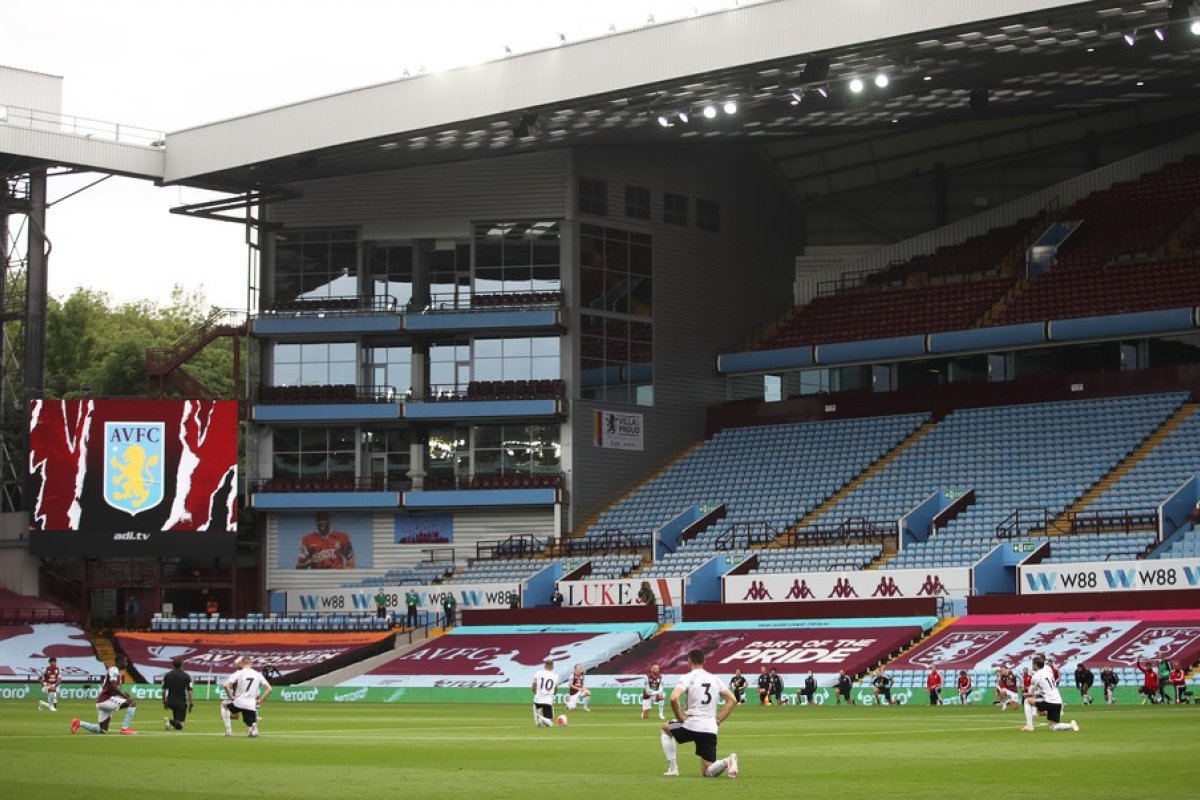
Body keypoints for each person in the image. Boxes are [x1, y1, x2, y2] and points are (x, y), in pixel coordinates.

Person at [660, 648, 739, 778]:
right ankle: (727, 761)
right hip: (709, 728)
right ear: (704, 661)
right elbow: (733, 700)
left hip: (690, 725)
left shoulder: (688, 677)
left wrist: (680, 717)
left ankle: (673, 768)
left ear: (689, 661)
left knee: (665, 728)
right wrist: (718, 720)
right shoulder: (714, 678)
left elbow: (674, 698)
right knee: (707, 772)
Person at [71, 655, 137, 735]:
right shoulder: (114, 670)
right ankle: (125, 728)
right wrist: (123, 696)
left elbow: (111, 688)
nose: (126, 664)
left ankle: (79, 723)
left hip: (103, 701)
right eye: (125, 662)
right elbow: (112, 687)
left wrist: (122, 694)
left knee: (102, 730)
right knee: (132, 703)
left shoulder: (115, 672)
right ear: (120, 662)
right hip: (106, 700)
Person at [1020, 654, 1079, 733]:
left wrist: (1028, 693)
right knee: (1053, 726)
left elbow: (1031, 692)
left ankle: (1029, 726)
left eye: (1032, 664)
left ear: (1035, 665)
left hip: (1049, 701)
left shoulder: (1036, 676)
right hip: (1058, 701)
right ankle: (1071, 725)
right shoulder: (1048, 673)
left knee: (1027, 701)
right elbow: (1047, 688)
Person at [221, 656, 273, 737]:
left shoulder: (238, 673)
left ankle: (228, 730)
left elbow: (225, 686)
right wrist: (260, 701)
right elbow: (269, 689)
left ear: (241, 663)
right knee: (250, 720)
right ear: (251, 664)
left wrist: (231, 697)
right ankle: (253, 726)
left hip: (239, 702)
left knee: (224, 705)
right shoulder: (258, 674)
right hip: (251, 704)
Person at [161, 657, 194, 731]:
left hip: (170, 701)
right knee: (181, 725)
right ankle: (169, 721)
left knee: (177, 726)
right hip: (181, 702)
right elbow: (190, 692)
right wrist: (191, 704)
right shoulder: (186, 676)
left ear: (173, 665)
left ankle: (171, 723)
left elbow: (163, 690)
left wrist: (164, 702)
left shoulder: (167, 675)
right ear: (182, 664)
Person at [531, 658, 560, 728]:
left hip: (538, 699)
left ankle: (538, 719)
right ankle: (541, 718)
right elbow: (556, 690)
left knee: (535, 707)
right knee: (550, 724)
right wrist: (553, 695)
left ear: (544, 666)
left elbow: (533, 686)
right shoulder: (556, 677)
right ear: (553, 666)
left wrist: (535, 693)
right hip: (548, 701)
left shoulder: (538, 673)